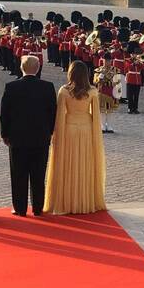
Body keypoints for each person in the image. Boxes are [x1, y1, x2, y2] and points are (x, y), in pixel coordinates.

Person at [44, 61, 107, 215]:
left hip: (68, 128)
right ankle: (85, 200)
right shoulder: (92, 91)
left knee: (67, 164)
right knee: (84, 164)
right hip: (86, 129)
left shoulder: (64, 91)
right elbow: (96, 117)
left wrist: (56, 136)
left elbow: (59, 116)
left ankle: (67, 200)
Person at [0, 54, 57, 217]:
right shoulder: (48, 87)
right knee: (38, 175)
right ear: (38, 68)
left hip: (17, 138)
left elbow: (4, 114)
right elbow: (53, 112)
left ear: (21, 68)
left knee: (18, 175)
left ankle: (20, 208)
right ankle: (38, 207)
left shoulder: (11, 87)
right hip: (41, 137)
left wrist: (5, 134)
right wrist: (50, 131)